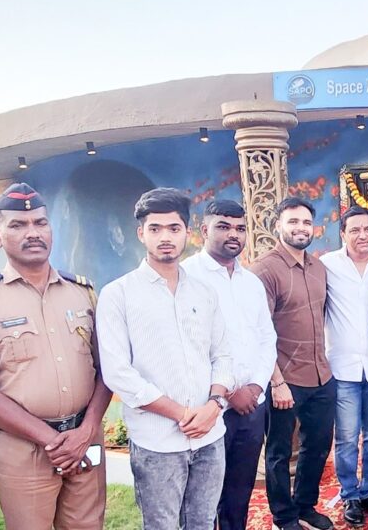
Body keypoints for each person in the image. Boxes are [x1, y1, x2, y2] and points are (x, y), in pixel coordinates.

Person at [97, 188, 234, 530]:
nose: (165, 237)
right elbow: (118, 373)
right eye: (155, 229)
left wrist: (214, 405)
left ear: (187, 232)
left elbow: (223, 355)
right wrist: (182, 414)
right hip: (156, 442)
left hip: (210, 436)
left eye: (174, 228)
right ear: (140, 233)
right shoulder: (118, 294)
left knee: (203, 523)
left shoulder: (204, 292)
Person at [0, 183, 112, 530]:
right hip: (23, 451)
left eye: (40, 222)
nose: (33, 232)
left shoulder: (83, 292)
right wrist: (52, 441)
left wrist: (87, 430)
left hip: (85, 441)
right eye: (18, 225)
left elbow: (107, 370)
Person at [181, 199, 277, 530]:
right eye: (223, 227)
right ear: (203, 230)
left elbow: (267, 338)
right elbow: (189, 347)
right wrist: (230, 392)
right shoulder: (187, 277)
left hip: (252, 407)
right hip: (209, 408)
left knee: (239, 491)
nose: (233, 234)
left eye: (239, 228)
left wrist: (256, 386)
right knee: (203, 496)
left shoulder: (251, 282)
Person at [251, 197, 336, 530]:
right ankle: (284, 517)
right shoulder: (264, 270)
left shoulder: (318, 267)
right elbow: (258, 332)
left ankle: (304, 506)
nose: (301, 228)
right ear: (278, 226)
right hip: (284, 379)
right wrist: (276, 382)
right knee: (278, 452)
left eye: (306, 222)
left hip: (321, 375)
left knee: (318, 445)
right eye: (293, 222)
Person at [320, 206, 368, 527]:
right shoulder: (327, 265)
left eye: (367, 229)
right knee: (347, 437)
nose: (362, 235)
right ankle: (350, 494)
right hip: (343, 368)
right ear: (343, 234)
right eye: (354, 230)